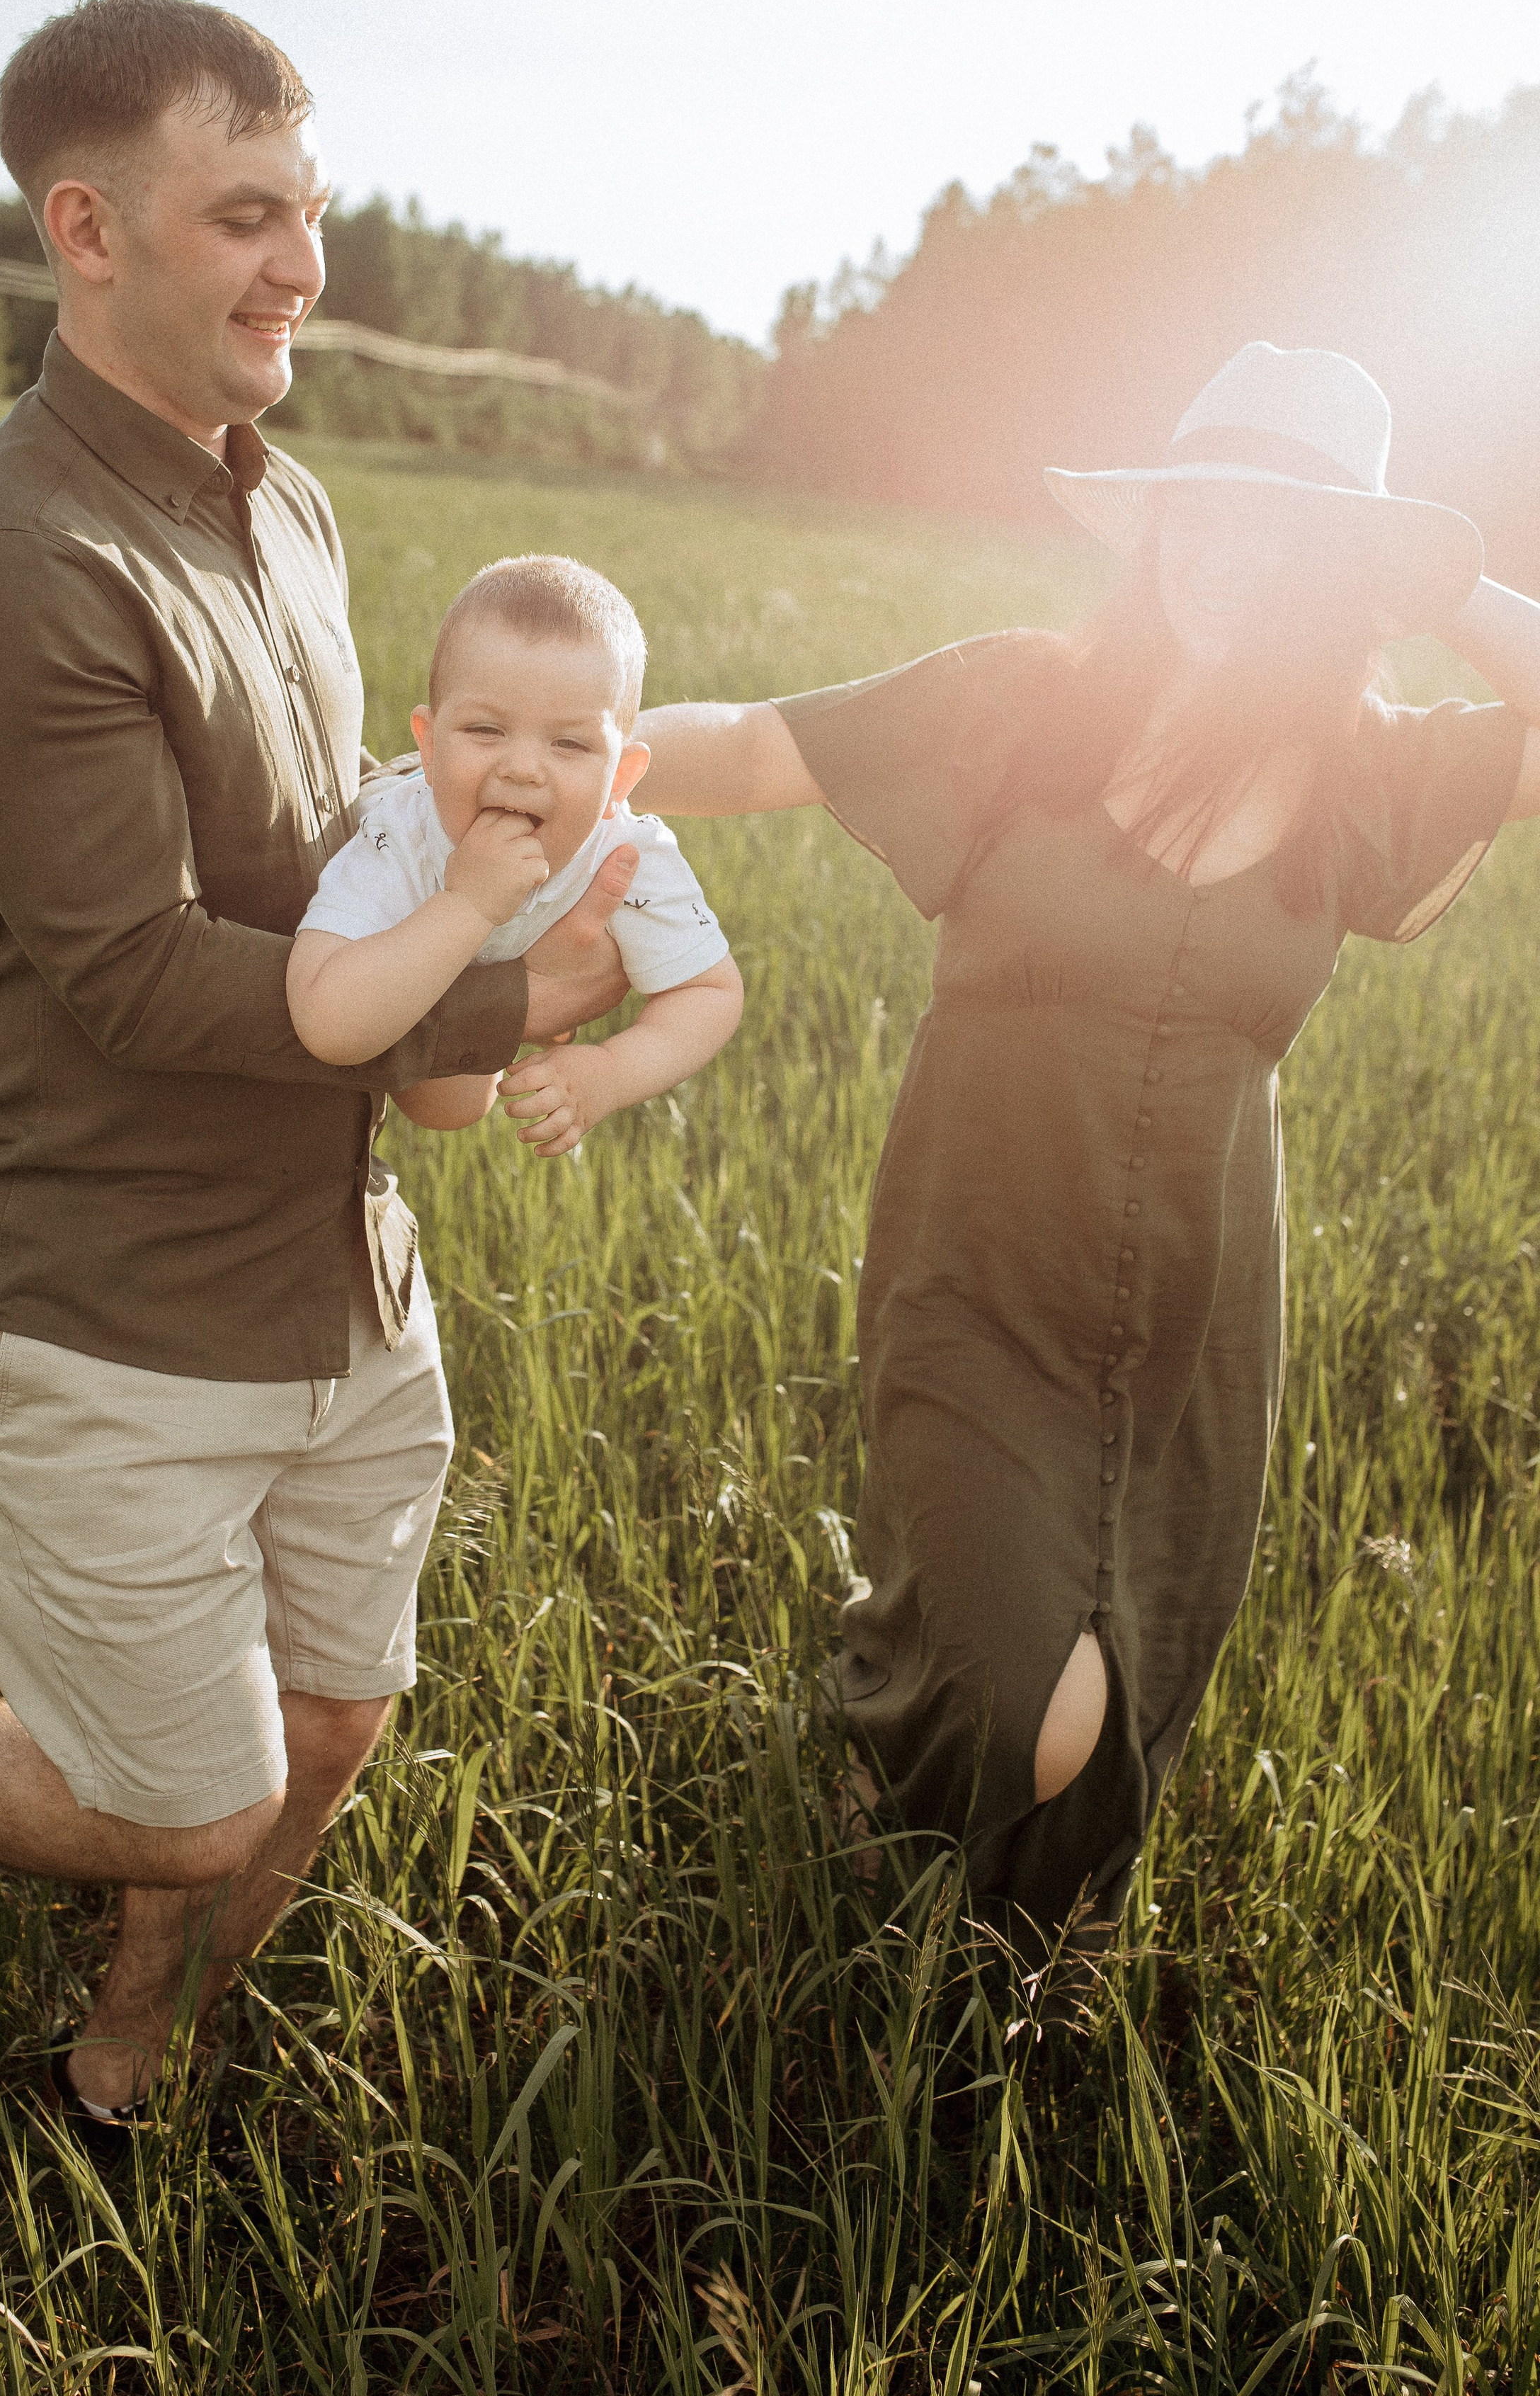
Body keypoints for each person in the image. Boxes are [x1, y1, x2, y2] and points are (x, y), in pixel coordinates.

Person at [0, 0, 632, 2146]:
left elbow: (333, 850)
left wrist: (543, 808)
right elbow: (142, 981)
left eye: (315, 209)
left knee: (334, 1720)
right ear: (86, 228)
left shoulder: (294, 516)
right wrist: (512, 995)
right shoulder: (12, 564)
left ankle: (125, 2053)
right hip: (106, 1302)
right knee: (189, 1800)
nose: (304, 265)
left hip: (337, 1268)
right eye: (245, 211)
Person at [632, 341, 1540, 1954]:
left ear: (1338, 572)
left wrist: (1445, 573)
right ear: (1151, 526)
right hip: (979, 1268)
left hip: (1201, 1321)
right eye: (1198, 511)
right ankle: (878, 1751)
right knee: (1022, 1707)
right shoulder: (1014, 707)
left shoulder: (1362, 773)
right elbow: (756, 743)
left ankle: (998, 1957)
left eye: (1277, 530)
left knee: (1119, 1681)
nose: (1219, 552)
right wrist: (521, 756)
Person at [288, 555, 744, 1152]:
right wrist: (468, 904)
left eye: (570, 742)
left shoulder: (628, 853)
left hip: (467, 1014)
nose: (523, 768)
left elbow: (710, 991)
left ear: (621, 779)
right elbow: (326, 1023)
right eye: (486, 730)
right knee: (438, 1103)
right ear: (428, 744)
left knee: (451, 1107)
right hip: (402, 946)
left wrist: (610, 1073)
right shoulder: (399, 832)